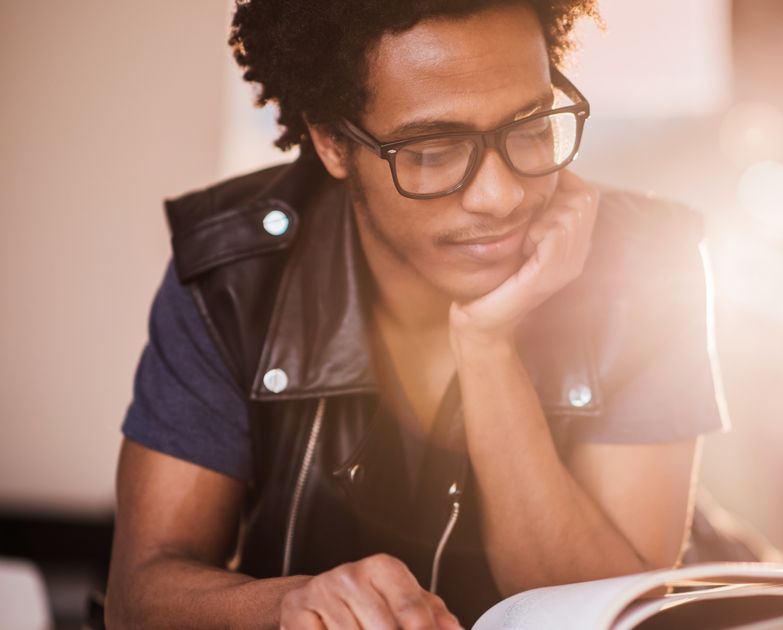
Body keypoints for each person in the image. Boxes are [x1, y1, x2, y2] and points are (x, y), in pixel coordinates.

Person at [105, 0, 731, 627]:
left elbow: (609, 612)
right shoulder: (233, 280)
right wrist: (288, 605)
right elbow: (138, 598)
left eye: (532, 127)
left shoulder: (647, 268)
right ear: (331, 142)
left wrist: (487, 343)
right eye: (433, 150)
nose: (501, 195)